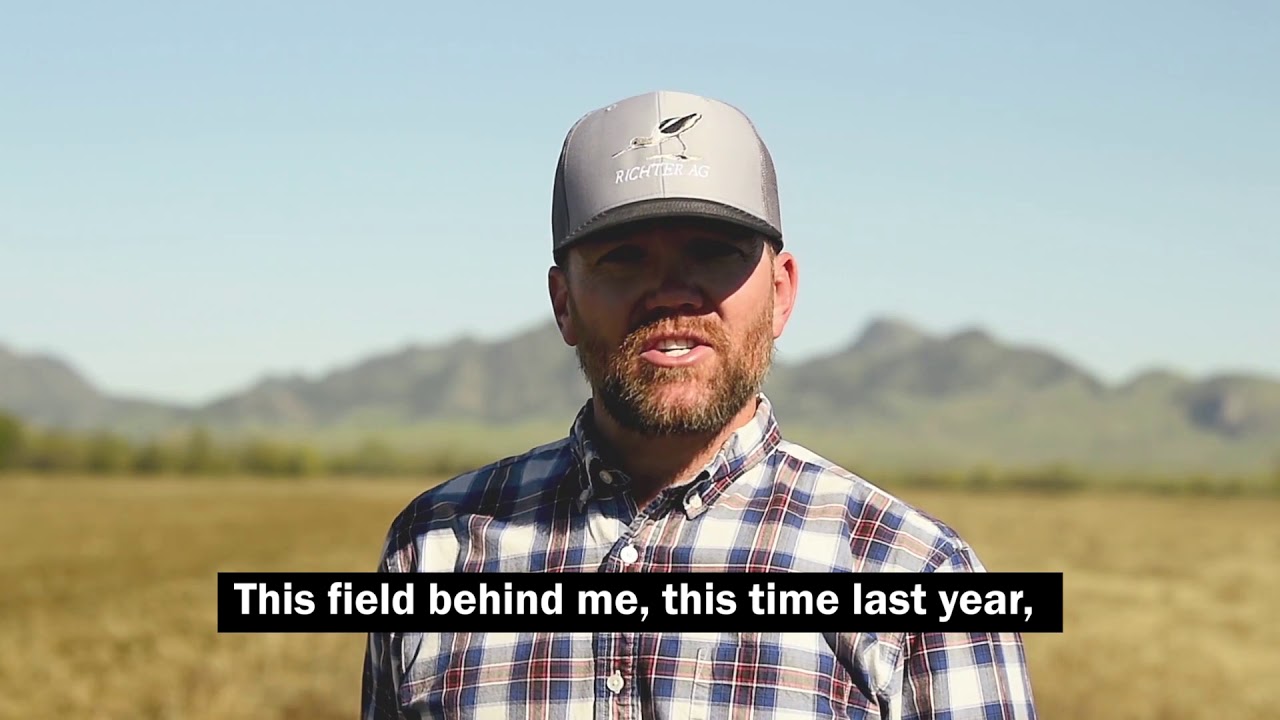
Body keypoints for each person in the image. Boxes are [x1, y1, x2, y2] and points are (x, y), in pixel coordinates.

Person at [361, 90, 1038, 719]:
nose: (671, 293)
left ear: (781, 292)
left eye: (714, 253)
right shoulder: (435, 548)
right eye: (623, 258)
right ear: (563, 303)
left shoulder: (913, 572)